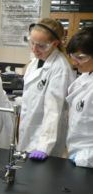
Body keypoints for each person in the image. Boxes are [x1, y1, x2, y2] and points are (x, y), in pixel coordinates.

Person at [17, 18, 75, 160]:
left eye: (41, 46)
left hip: (43, 143)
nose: (34, 49)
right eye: (32, 43)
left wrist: (44, 147)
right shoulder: (35, 62)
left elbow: (53, 111)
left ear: (54, 44)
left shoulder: (60, 68)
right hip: (29, 133)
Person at [66, 26, 93, 168]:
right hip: (77, 155)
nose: (74, 62)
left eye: (81, 57)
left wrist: (86, 158)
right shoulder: (84, 76)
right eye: (73, 56)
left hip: (88, 159)